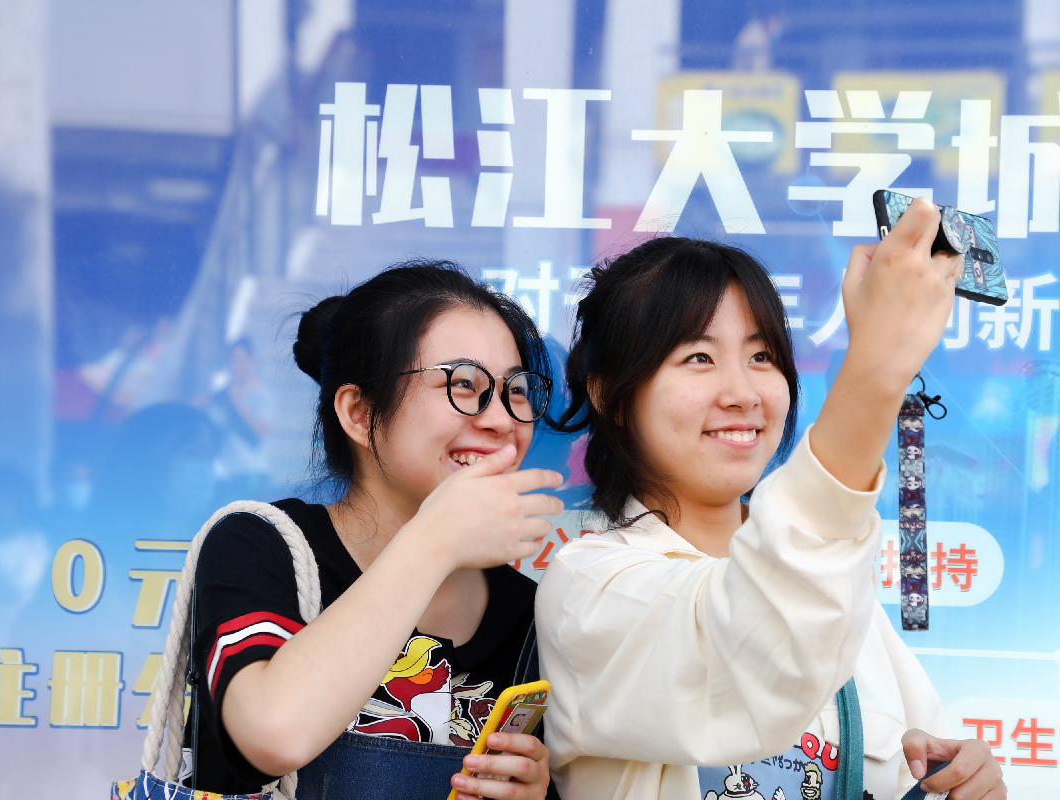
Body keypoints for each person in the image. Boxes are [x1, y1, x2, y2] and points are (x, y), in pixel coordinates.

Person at [539, 200, 1006, 800]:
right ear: (610, 395)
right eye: (698, 357)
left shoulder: (848, 599)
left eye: (761, 357)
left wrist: (958, 783)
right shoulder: (587, 587)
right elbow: (757, 633)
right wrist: (877, 367)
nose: (743, 392)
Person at [184, 261, 562, 800]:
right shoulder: (261, 545)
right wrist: (434, 540)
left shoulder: (532, 615)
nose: (501, 420)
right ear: (360, 413)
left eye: (516, 390)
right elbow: (272, 734)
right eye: (463, 383)